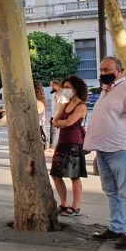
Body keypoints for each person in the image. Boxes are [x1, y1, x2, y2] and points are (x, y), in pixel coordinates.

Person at [84, 57, 126, 249]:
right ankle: (116, 227)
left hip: (121, 149)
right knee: (111, 191)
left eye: (107, 70)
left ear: (119, 71)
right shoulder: (106, 91)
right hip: (103, 149)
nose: (103, 73)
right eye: (101, 70)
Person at [50, 76, 89, 216]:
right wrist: (60, 122)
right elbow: (54, 121)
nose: (65, 90)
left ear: (76, 89)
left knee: (74, 176)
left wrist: (61, 123)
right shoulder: (65, 105)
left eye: (67, 87)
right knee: (56, 174)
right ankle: (64, 203)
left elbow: (67, 123)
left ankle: (76, 206)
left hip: (74, 143)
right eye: (64, 87)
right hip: (62, 142)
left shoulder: (81, 106)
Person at [49, 79, 69, 150]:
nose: (51, 87)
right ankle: (52, 147)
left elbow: (63, 106)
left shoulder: (62, 93)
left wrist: (58, 117)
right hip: (54, 115)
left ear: (56, 85)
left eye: (52, 86)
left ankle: (59, 147)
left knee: (61, 133)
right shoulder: (54, 93)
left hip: (59, 117)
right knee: (52, 132)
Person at [34, 81, 48, 148]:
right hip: (40, 126)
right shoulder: (40, 100)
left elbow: (36, 118)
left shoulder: (38, 102)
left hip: (37, 128)